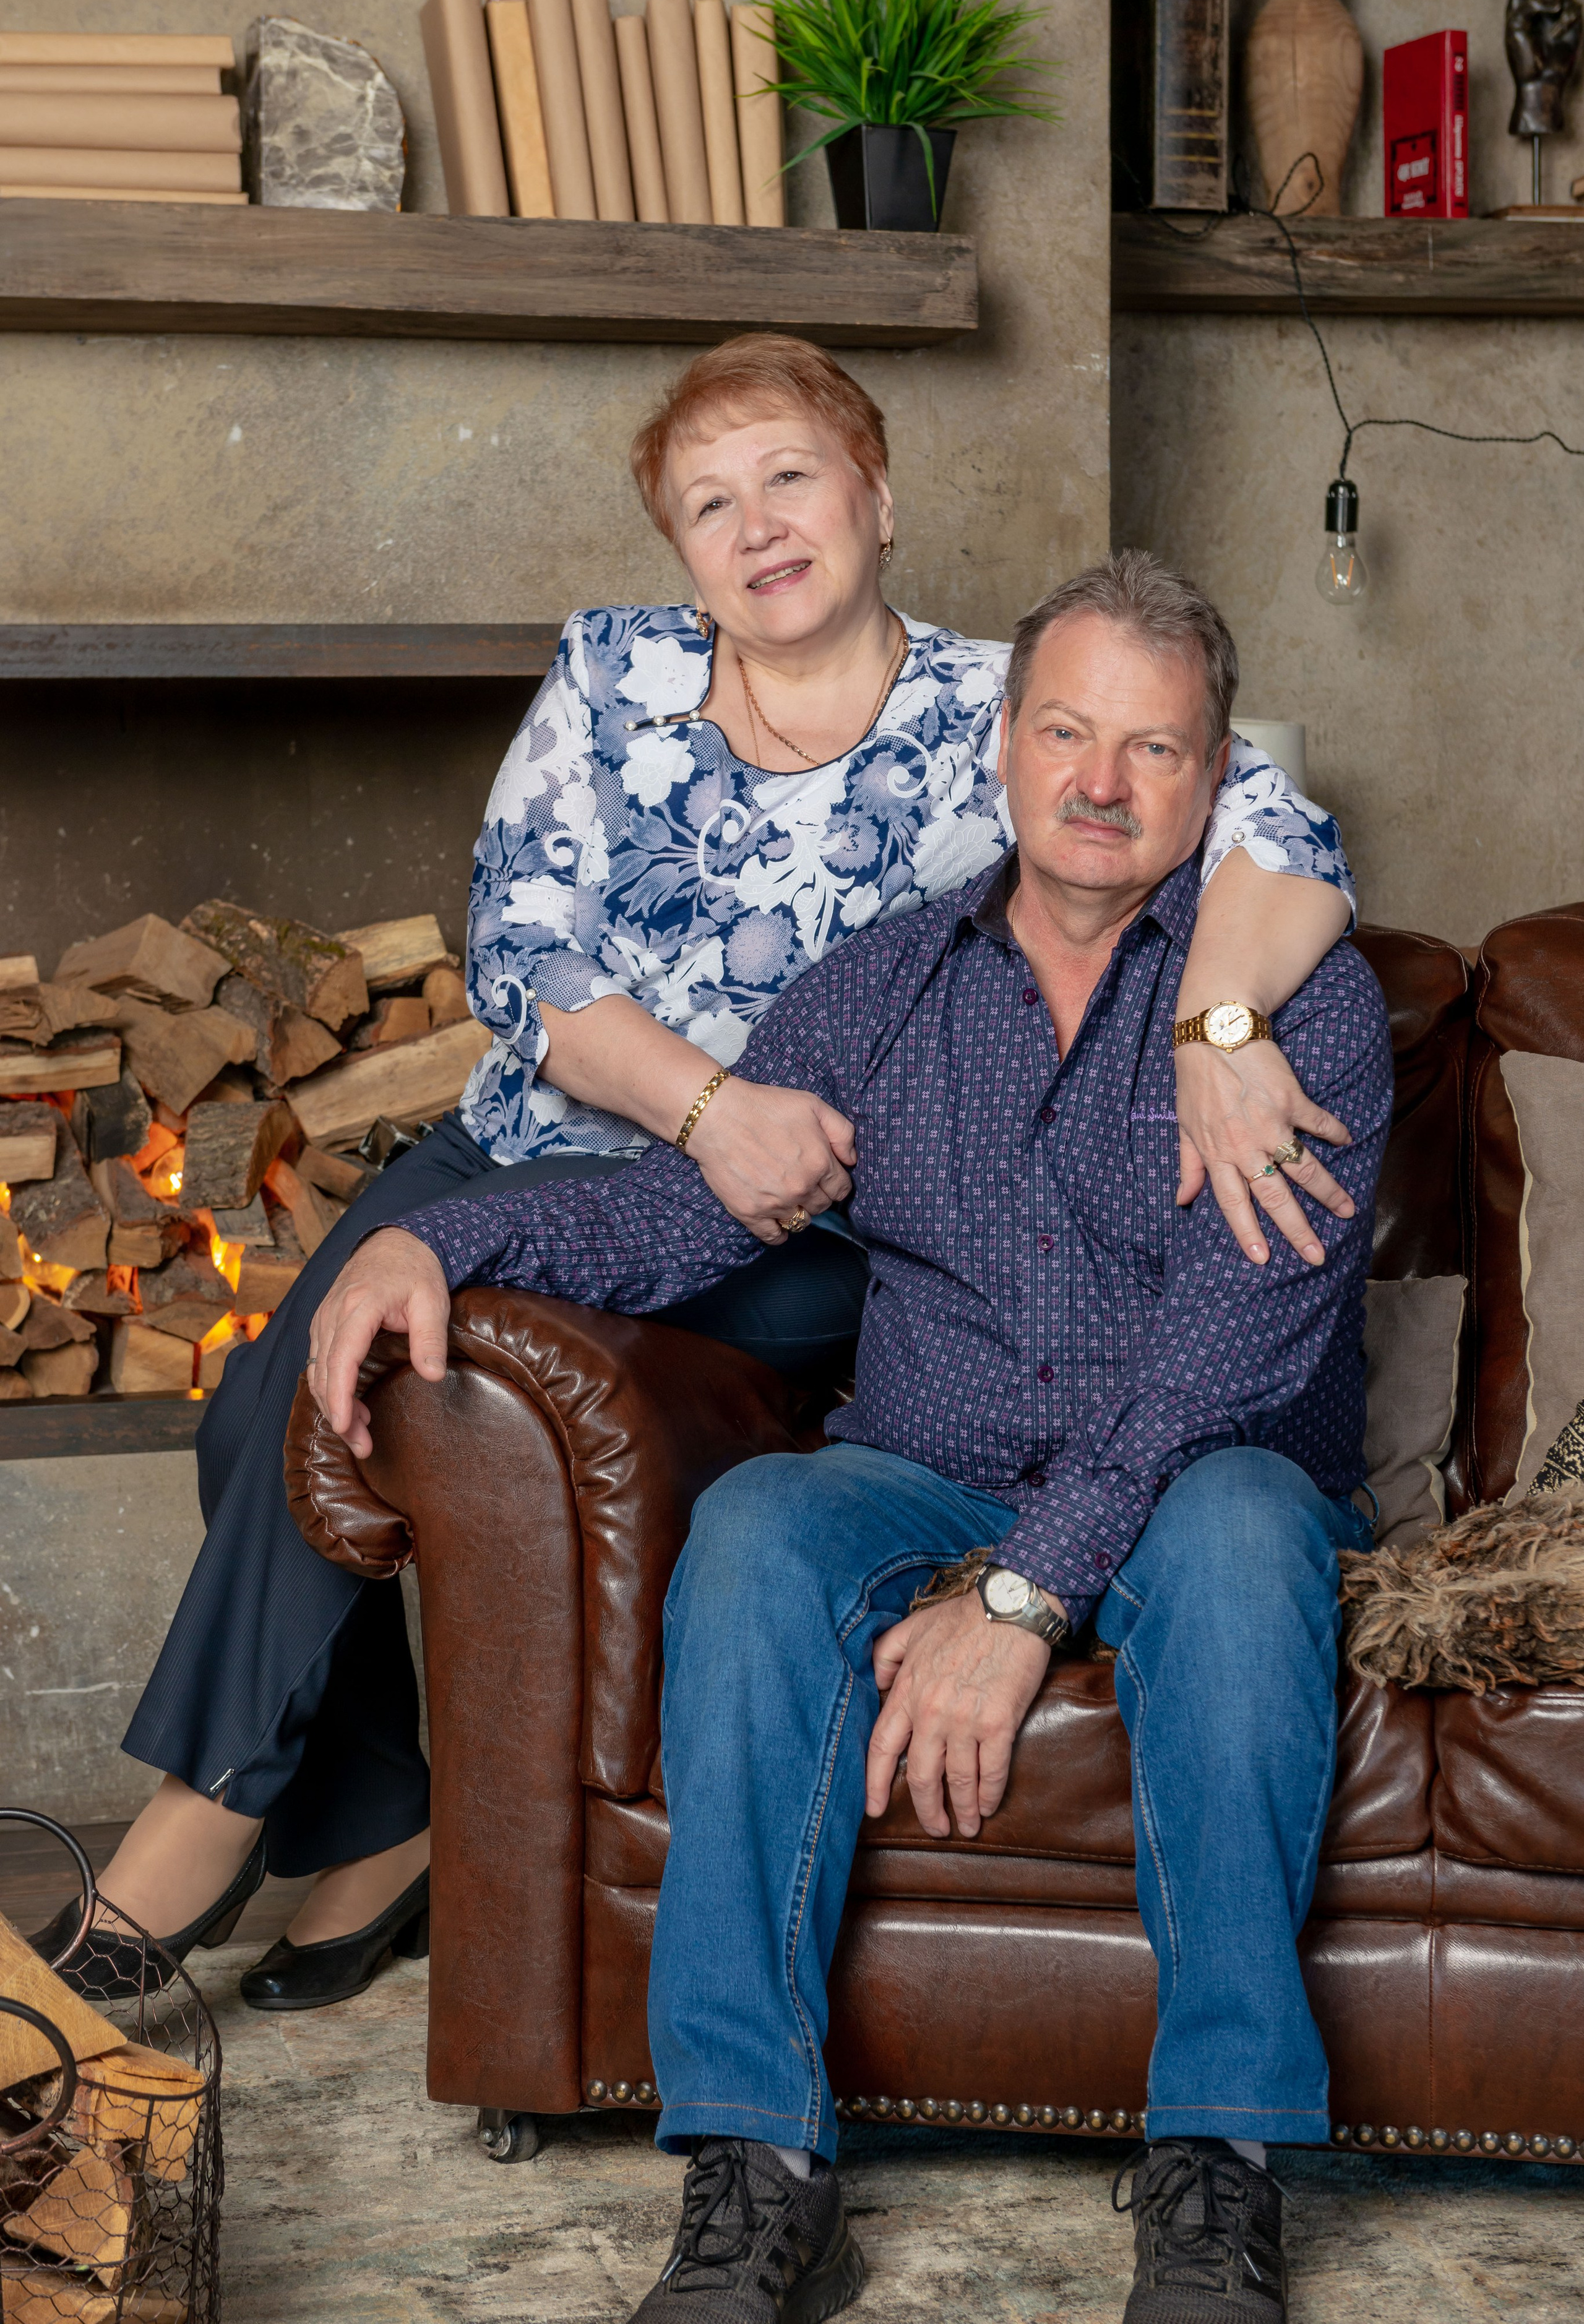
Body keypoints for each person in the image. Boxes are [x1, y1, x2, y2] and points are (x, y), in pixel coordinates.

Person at [40, 340, 1358, 2019]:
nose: (758, 525)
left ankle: (192, 1837)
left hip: (790, 1210)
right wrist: (708, 1103)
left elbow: (1277, 832)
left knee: (391, 1385)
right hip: (546, 1146)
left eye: (790, 477)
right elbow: (519, 951)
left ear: (879, 500)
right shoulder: (615, 669)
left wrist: (1219, 1020)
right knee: (269, 1405)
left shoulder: (1013, 707)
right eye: (708, 502)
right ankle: (378, 1823)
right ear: (678, 547)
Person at [311, 553, 1391, 2324]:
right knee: (755, 1530)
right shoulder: (879, 991)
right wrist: (436, 1241)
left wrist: (1022, 1599)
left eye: (1154, 748)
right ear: (1003, 744)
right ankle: (758, 2170)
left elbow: (1232, 1346)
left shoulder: (1288, 1008)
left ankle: (1220, 2165)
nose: (1101, 784)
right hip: (925, 1465)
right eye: (1067, 732)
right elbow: (683, 1217)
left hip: (1206, 1475)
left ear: (1215, 779)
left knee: (1243, 1533)